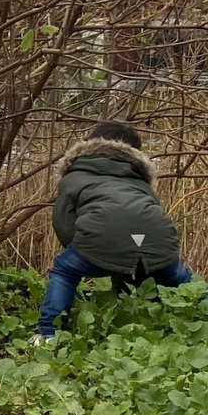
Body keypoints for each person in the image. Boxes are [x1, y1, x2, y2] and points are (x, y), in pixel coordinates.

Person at [32, 120, 195, 344]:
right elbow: (149, 216)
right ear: (136, 154)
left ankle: (48, 334)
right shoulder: (141, 182)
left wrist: (83, 246)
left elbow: (63, 223)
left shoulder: (74, 176)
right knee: (180, 278)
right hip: (158, 240)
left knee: (65, 271)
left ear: (90, 144)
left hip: (98, 238)